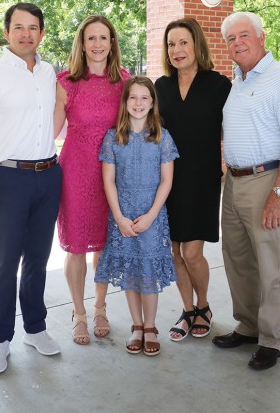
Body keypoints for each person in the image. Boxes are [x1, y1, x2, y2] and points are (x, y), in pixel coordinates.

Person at [0, 3, 62, 374]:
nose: (26, 34)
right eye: (18, 27)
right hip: (8, 178)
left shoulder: (49, 72)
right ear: (6, 33)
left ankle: (35, 328)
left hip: (50, 175)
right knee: (5, 264)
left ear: (42, 32)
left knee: (37, 260)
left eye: (33, 27)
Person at [213, 11, 280, 371]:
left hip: (266, 181)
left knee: (269, 264)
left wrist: (278, 194)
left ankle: (270, 339)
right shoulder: (238, 80)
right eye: (231, 39)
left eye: (244, 35)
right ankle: (248, 325)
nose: (238, 43)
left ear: (261, 37)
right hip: (234, 183)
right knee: (237, 259)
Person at [53, 15, 131, 345]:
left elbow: (137, 128)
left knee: (104, 244)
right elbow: (51, 132)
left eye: (104, 37)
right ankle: (78, 312)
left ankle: (100, 307)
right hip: (75, 170)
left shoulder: (125, 81)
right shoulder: (65, 81)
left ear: (112, 42)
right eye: (91, 38)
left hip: (112, 172)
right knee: (76, 248)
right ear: (81, 44)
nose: (98, 44)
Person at [155, 18, 231, 342]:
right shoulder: (161, 87)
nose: (177, 50)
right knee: (173, 250)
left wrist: (227, 161)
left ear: (197, 45)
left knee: (192, 252)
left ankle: (204, 306)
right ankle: (188, 310)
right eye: (171, 44)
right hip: (169, 181)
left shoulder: (219, 85)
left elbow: (235, 128)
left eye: (183, 42)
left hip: (202, 180)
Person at [94, 76, 179, 356]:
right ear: (125, 102)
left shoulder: (162, 137)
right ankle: (137, 325)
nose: (138, 103)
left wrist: (152, 215)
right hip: (123, 215)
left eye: (145, 98)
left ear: (152, 102)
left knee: (148, 273)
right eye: (133, 97)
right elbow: (109, 180)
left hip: (152, 216)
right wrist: (119, 217)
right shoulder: (113, 137)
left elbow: (167, 181)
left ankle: (152, 326)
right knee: (131, 272)